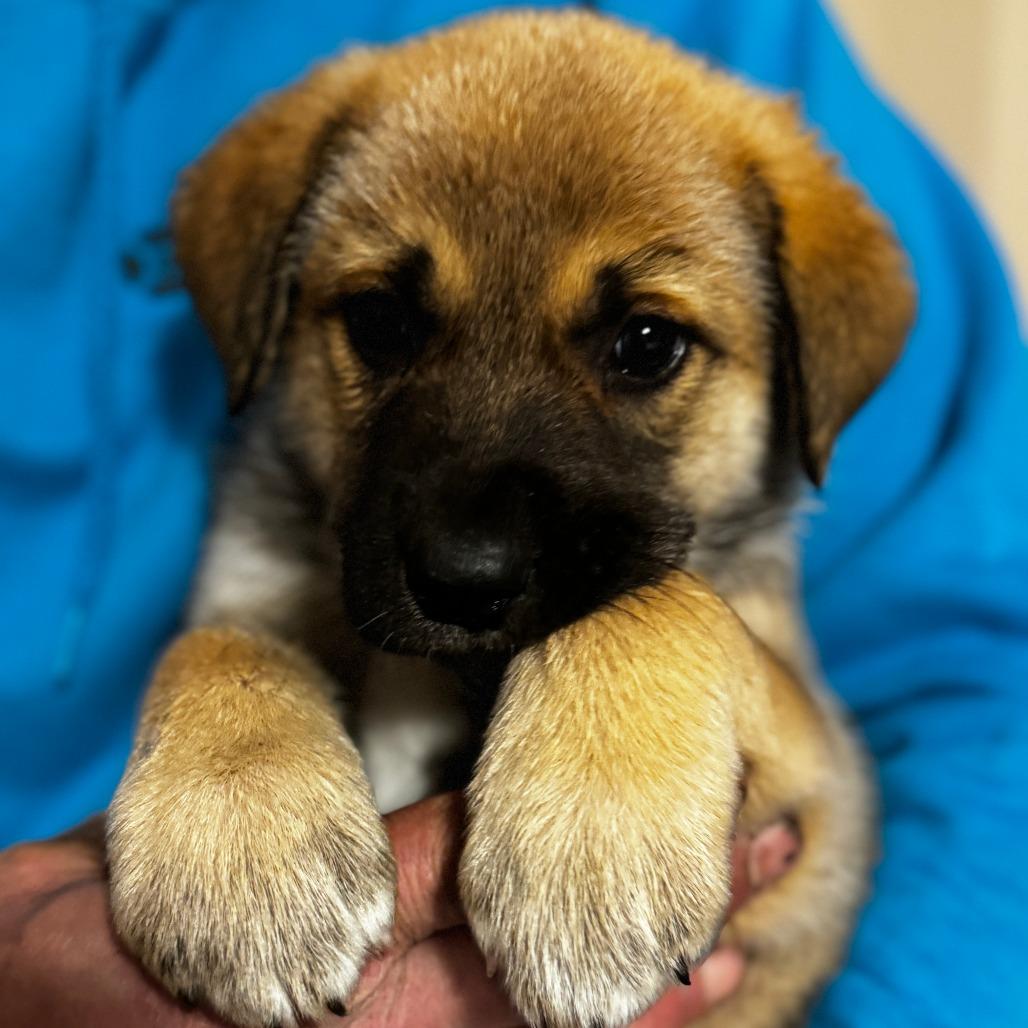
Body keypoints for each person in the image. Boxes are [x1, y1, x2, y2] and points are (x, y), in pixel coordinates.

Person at [1, 0, 1026, 1025]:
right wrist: (225, 713)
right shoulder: (288, 491)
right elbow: (252, 632)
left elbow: (929, 696)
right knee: (228, 663)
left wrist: (651, 646)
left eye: (642, 347)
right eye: (383, 322)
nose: (471, 545)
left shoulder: (745, 51)